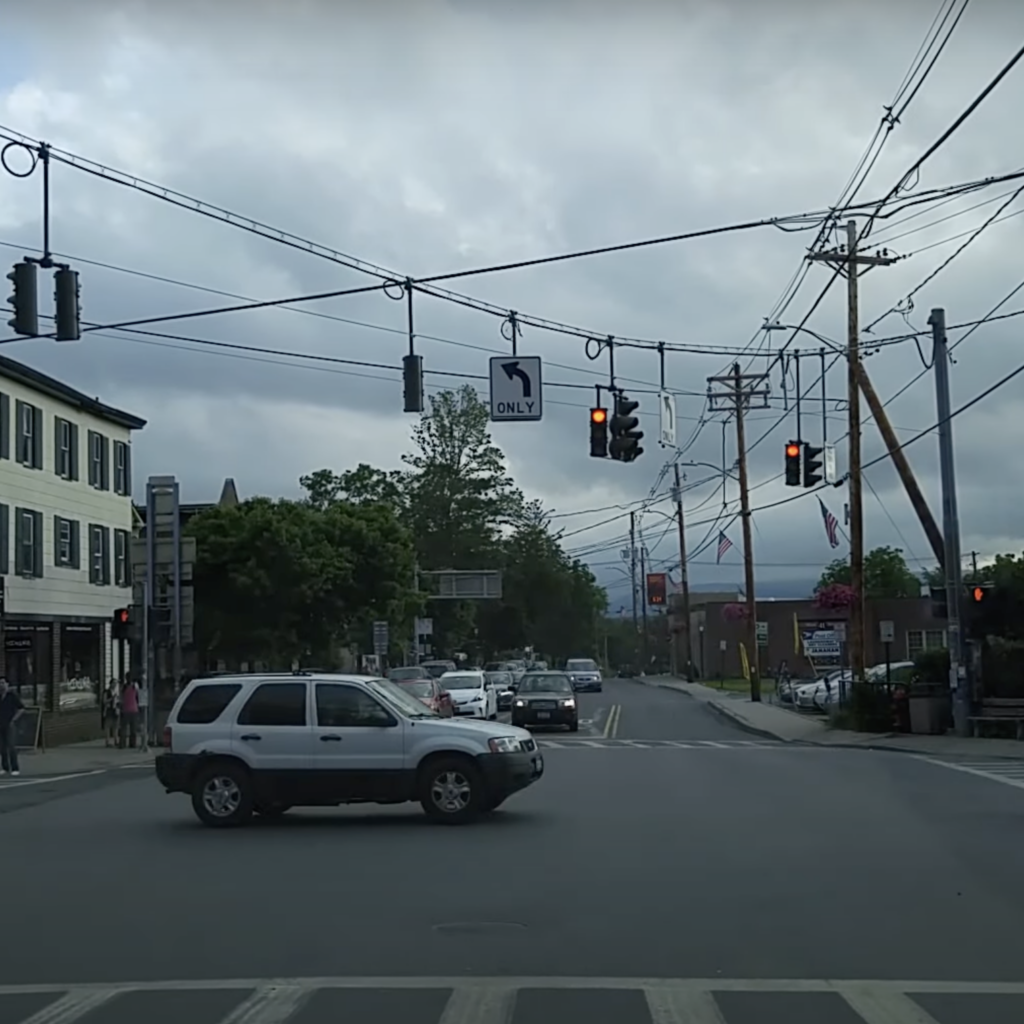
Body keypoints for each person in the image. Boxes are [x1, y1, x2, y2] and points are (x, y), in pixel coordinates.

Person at [0, 678, 24, 776]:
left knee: (11, 746)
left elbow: (21, 708)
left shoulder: (12, 696)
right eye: (0, 683)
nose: (1, 685)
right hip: (0, 724)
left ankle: (15, 768)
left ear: (7, 684)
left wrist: (14, 719)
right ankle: (5, 767)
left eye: (2, 683)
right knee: (2, 748)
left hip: (9, 724)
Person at [119, 677, 140, 749]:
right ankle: (132, 744)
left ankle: (122, 743)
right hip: (134, 709)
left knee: (123, 728)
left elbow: (121, 697)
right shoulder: (134, 686)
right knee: (133, 728)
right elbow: (137, 696)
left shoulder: (124, 687)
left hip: (125, 709)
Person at [103, 681, 120, 747]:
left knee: (115, 726)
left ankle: (116, 740)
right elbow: (104, 701)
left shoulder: (116, 692)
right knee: (108, 726)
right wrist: (111, 699)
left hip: (115, 710)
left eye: (116, 684)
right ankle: (107, 741)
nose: (115, 685)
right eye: (114, 684)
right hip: (109, 710)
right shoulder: (106, 692)